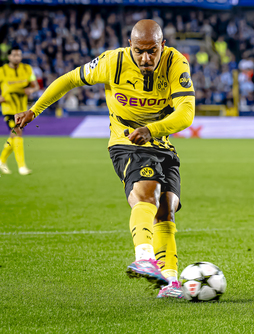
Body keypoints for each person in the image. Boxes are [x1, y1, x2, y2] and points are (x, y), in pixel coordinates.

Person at [14, 20, 196, 299]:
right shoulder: (112, 61)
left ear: (163, 46)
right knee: (147, 192)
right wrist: (34, 111)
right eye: (139, 51)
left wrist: (152, 130)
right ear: (129, 45)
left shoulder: (176, 63)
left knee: (167, 209)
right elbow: (70, 79)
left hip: (160, 141)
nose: (145, 58)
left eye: (152, 51)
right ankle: (144, 256)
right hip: (126, 142)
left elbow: (186, 113)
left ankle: (170, 281)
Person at [0, 46, 39, 175]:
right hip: (8, 108)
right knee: (17, 132)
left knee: (14, 135)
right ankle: (22, 167)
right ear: (9, 57)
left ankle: (1, 160)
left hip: (22, 110)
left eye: (19, 55)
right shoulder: (2, 71)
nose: (17, 57)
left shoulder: (27, 69)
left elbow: (36, 86)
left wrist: (31, 90)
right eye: (14, 55)